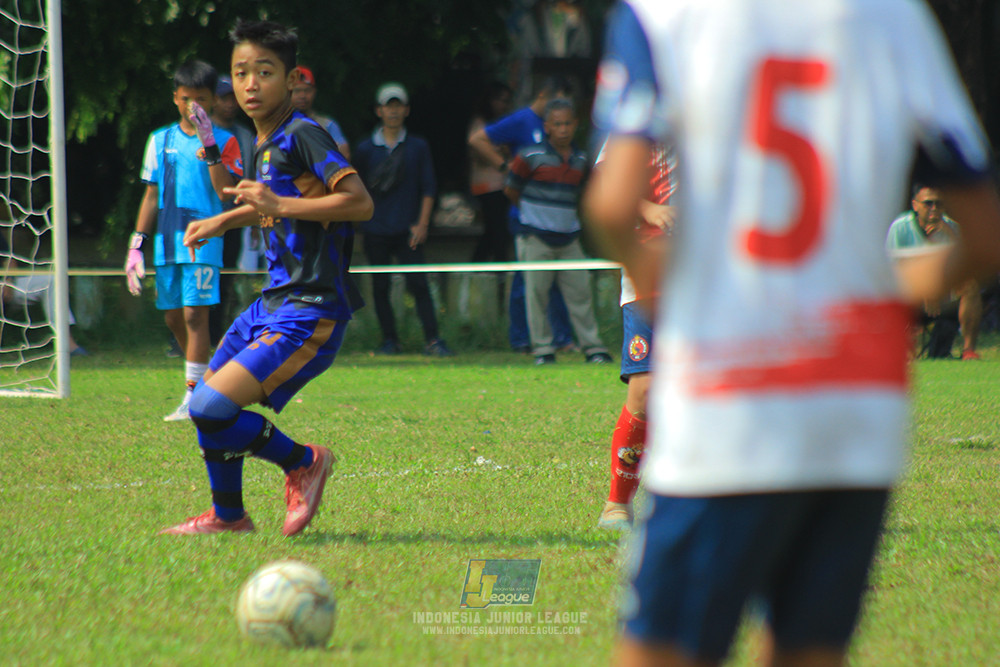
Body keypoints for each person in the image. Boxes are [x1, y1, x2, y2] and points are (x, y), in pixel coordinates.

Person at [582, 1, 1000, 666]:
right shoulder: (894, 15)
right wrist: (876, 290)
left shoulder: (661, 15)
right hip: (855, 399)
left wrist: (673, 278)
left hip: (731, 389)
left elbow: (609, 207)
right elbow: (985, 232)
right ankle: (615, 498)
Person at [161, 19, 374, 536]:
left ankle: (304, 461)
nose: (250, 83)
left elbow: (359, 203)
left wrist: (277, 205)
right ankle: (229, 516)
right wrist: (225, 218)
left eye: (264, 71)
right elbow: (263, 202)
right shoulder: (265, 141)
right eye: (240, 73)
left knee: (211, 406)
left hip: (310, 308)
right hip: (272, 302)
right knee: (205, 408)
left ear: (291, 79)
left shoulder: (303, 133)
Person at [125, 60, 242, 422]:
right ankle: (209, 378)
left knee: (195, 314)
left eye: (202, 99)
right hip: (166, 243)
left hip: (204, 241)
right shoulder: (159, 140)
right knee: (173, 317)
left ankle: (194, 396)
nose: (194, 106)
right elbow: (151, 195)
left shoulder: (226, 141)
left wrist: (209, 145)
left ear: (213, 100)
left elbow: (225, 192)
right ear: (175, 97)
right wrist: (136, 245)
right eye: (187, 98)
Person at [597, 143, 676, 531]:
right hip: (648, 270)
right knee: (644, 390)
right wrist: (648, 209)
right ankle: (617, 503)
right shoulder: (637, 121)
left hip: (713, 272)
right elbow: (606, 185)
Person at [468, 75, 576, 353]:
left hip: (557, 216)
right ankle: (520, 339)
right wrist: (505, 168)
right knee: (524, 279)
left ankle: (562, 338)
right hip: (526, 216)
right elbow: (477, 139)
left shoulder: (556, 126)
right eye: (555, 102)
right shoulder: (521, 120)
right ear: (542, 96)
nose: (559, 111)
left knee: (559, 279)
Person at [503, 97, 611, 365]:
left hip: (569, 237)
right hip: (535, 236)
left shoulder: (581, 158)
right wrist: (533, 217)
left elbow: (583, 193)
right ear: (547, 126)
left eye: (567, 124)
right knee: (536, 296)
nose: (563, 129)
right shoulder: (529, 155)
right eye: (557, 124)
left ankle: (593, 348)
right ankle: (543, 350)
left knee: (581, 295)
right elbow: (511, 190)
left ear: (575, 125)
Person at [353, 82, 453, 357]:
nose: (393, 111)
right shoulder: (365, 149)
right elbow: (355, 189)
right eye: (389, 106)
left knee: (419, 284)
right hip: (375, 228)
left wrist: (422, 224)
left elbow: (428, 187)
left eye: (398, 106)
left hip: (409, 228)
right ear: (379, 111)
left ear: (407, 110)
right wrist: (360, 224)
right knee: (380, 287)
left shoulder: (418, 146)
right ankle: (389, 340)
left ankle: (432, 339)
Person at [886, 184, 983, 360]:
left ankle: (968, 350)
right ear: (915, 205)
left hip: (944, 296)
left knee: (971, 287)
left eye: (939, 204)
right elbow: (893, 270)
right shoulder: (900, 228)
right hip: (912, 295)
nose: (934, 209)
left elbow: (968, 265)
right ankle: (902, 349)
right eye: (928, 203)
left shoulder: (952, 227)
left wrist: (950, 235)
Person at [210, 74, 256, 344]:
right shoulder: (203, 133)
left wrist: (252, 220)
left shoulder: (246, 135)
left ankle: (215, 334)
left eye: (232, 98)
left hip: (235, 218)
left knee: (225, 279)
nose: (229, 104)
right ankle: (179, 339)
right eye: (223, 98)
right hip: (205, 217)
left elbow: (252, 178)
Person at [468, 81, 514, 264]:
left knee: (493, 229)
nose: (503, 105)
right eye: (500, 100)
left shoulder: (503, 123)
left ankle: (477, 266)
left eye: (507, 101)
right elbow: (476, 153)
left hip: (503, 184)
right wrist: (498, 152)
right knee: (498, 229)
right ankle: (498, 267)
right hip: (486, 185)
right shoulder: (480, 123)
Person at [292, 65, 351, 160]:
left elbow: (345, 155)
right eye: (297, 91)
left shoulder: (327, 125)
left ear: (314, 92)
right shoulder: (278, 124)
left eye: (307, 91)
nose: (302, 96)